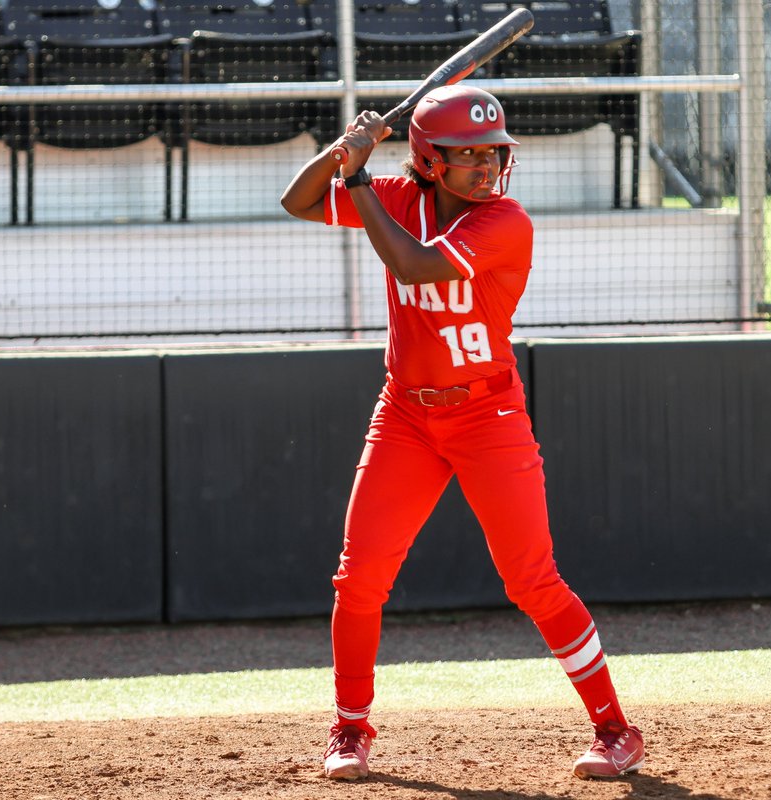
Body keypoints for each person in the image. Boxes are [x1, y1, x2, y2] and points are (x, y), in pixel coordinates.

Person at [279, 85, 645, 781]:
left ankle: (615, 729)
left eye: (492, 152)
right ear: (426, 159)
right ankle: (350, 729)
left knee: (532, 579)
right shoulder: (396, 195)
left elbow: (412, 263)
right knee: (358, 579)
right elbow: (296, 201)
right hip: (408, 415)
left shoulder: (505, 221)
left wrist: (356, 176)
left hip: (487, 413)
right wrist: (340, 153)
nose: (485, 166)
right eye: (466, 154)